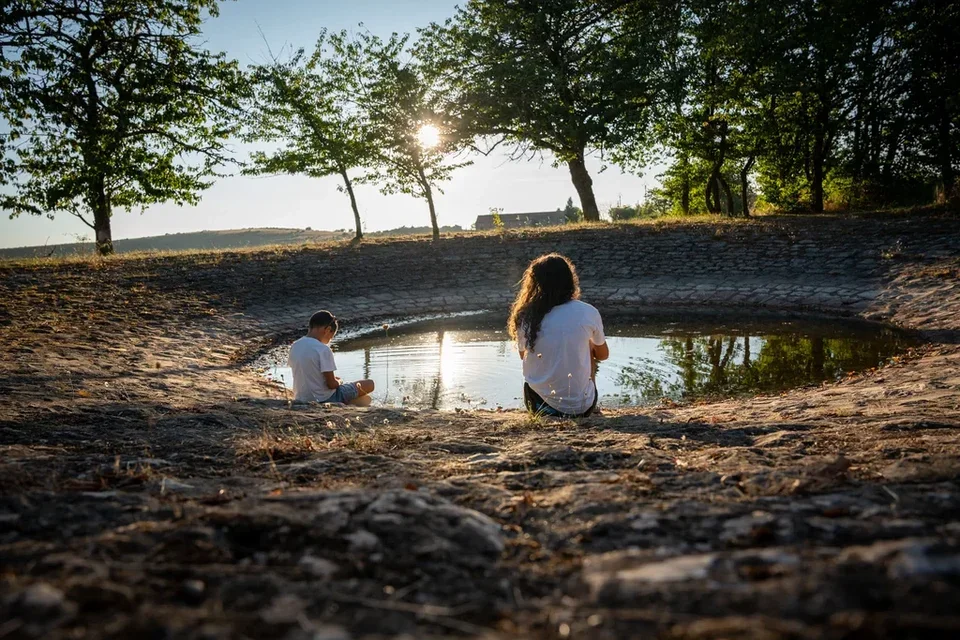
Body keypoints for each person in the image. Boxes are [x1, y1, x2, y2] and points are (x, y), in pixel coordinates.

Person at [508, 254, 609, 417]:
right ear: (570, 280)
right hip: (584, 409)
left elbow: (523, 355)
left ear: (534, 284)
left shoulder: (526, 316)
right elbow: (603, 355)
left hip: (538, 407)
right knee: (590, 344)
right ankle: (581, 399)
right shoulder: (588, 311)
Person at [287, 310, 375, 406]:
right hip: (325, 398)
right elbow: (331, 385)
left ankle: (352, 402)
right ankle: (347, 402)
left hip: (301, 397)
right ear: (328, 329)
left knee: (366, 399)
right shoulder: (323, 349)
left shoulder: (295, 346)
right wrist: (339, 381)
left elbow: (306, 372)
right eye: (331, 337)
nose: (330, 340)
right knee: (370, 384)